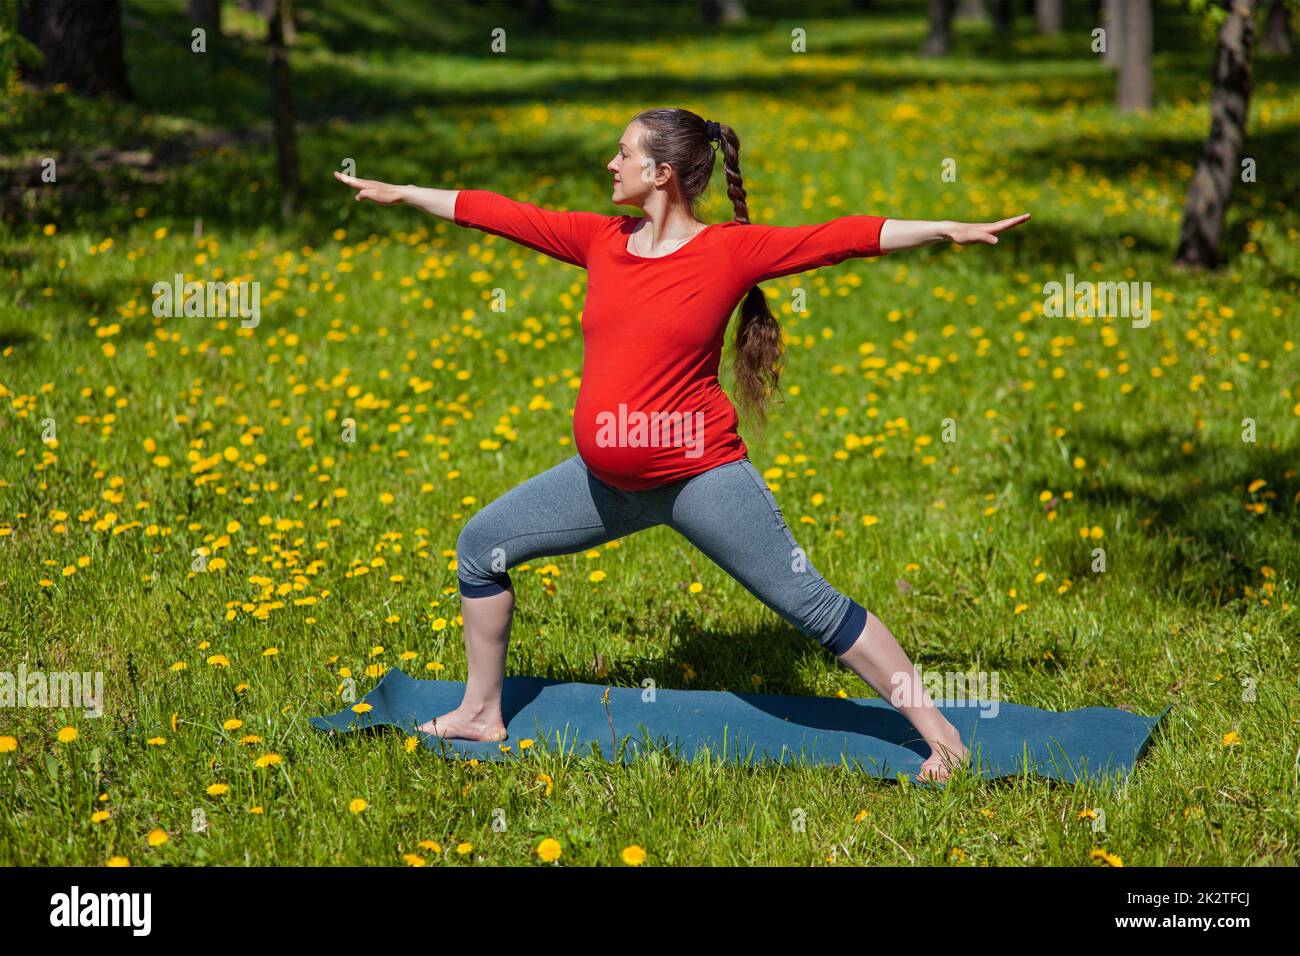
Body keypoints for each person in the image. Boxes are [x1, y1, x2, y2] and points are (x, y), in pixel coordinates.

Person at [334, 107, 1029, 783]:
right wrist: (403, 193)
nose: (611, 163)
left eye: (624, 153)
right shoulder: (601, 239)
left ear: (662, 172)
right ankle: (481, 712)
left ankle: (944, 738)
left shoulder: (727, 251)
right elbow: (503, 212)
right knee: (480, 546)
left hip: (703, 482)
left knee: (811, 603)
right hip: (605, 483)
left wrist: (942, 227)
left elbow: (839, 237)